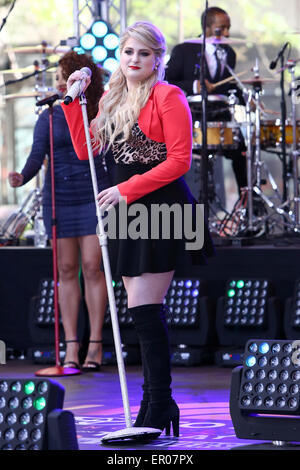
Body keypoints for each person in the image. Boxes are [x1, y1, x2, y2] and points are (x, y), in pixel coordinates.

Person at [62, 21, 214, 436]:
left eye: (144, 54)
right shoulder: (111, 98)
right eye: (129, 52)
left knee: (145, 313)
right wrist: (72, 104)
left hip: (163, 209)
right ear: (121, 55)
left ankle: (159, 403)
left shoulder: (169, 96)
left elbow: (179, 161)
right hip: (128, 213)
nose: (135, 60)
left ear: (157, 60)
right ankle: (156, 403)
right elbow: (85, 150)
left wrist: (125, 189)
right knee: (143, 313)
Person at [8, 51, 109, 372]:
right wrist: (21, 176)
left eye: (66, 77)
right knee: (66, 270)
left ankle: (95, 343)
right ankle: (71, 347)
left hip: (92, 194)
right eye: (59, 79)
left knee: (93, 267)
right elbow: (37, 156)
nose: (60, 84)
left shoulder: (98, 110)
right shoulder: (49, 116)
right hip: (60, 198)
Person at [165, 6, 248, 196]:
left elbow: (230, 86)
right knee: (185, 161)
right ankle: (189, 200)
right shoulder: (185, 50)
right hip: (192, 114)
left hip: (220, 113)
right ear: (207, 27)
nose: (226, 33)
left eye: (228, 28)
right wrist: (195, 86)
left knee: (240, 150)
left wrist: (247, 100)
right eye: (221, 29)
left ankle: (247, 200)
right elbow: (167, 80)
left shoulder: (229, 53)